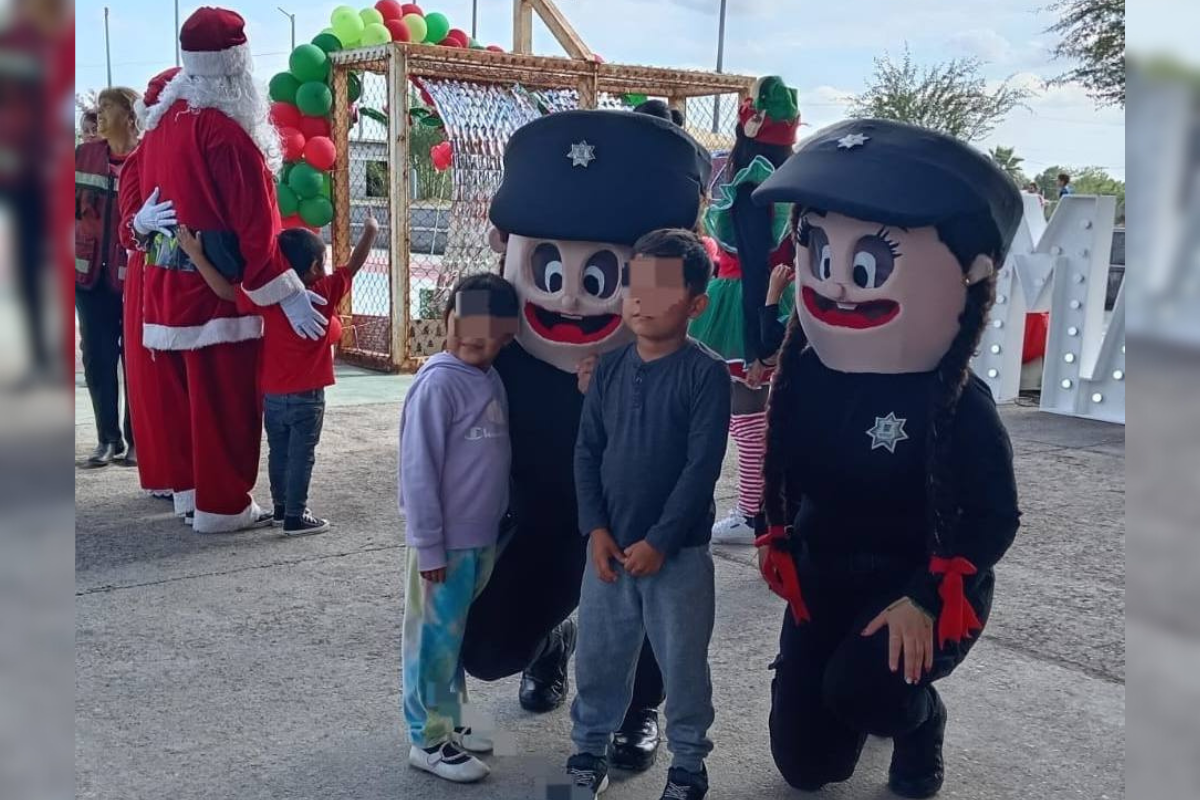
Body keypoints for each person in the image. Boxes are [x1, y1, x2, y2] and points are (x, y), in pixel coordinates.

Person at [751, 119, 1023, 798]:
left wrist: (927, 600)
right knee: (807, 768)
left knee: (865, 691)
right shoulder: (807, 375)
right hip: (825, 575)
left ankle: (916, 719)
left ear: (971, 271)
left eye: (869, 260)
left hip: (916, 584)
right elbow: (779, 472)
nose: (839, 282)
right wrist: (772, 533)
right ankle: (859, 686)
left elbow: (993, 517)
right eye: (818, 248)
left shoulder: (956, 399)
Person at [462, 108, 711, 772]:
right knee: (482, 647)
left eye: (602, 275)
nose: (571, 296)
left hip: (640, 531)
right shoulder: (500, 356)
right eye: (548, 267)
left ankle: (641, 707)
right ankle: (554, 641)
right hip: (547, 523)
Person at [128, 7, 329, 531]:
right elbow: (254, 223)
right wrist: (284, 290)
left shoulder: (162, 122)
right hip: (217, 294)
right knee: (224, 405)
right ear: (238, 64)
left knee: (186, 405)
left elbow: (143, 204)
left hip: (165, 286)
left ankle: (191, 496)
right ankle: (223, 506)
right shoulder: (222, 131)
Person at [566, 228, 729, 800]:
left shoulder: (706, 373)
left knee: (683, 664)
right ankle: (588, 747)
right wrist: (596, 530)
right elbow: (587, 450)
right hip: (609, 551)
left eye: (660, 289)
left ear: (696, 303)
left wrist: (661, 539)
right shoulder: (607, 369)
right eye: (633, 284)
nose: (639, 299)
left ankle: (688, 763)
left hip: (677, 555)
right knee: (599, 657)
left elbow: (700, 467)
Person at [176, 217, 379, 535]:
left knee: (279, 452)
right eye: (322, 262)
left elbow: (225, 292)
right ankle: (296, 515)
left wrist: (196, 253)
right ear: (314, 267)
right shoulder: (324, 292)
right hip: (308, 395)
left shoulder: (268, 298)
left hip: (272, 395)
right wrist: (371, 231)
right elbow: (353, 265)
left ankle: (282, 507)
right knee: (302, 455)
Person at [398, 274, 518, 784]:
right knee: (432, 642)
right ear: (446, 318)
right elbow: (417, 470)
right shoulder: (438, 382)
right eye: (466, 324)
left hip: (478, 539)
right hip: (443, 545)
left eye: (492, 331)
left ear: (509, 336)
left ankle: (458, 722)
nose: (476, 337)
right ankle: (428, 738)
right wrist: (429, 546)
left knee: (452, 639)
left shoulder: (488, 376)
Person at [688, 76, 799, 544]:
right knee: (770, 414)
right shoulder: (791, 177)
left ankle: (752, 512)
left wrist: (757, 344)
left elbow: (754, 263)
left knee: (748, 412)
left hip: (747, 300)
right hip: (782, 297)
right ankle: (770, 510)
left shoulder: (753, 180)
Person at [116, 67, 181, 497]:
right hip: (153, 274)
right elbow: (126, 229)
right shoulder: (139, 161)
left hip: (197, 272)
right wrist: (140, 224)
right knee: (156, 380)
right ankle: (164, 473)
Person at [75, 85, 140, 467]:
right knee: (97, 360)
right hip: (88, 280)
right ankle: (107, 439)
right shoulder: (83, 157)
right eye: (97, 107)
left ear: (130, 116)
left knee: (134, 360)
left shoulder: (147, 158)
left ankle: (135, 441)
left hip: (133, 279)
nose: (98, 114)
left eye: (107, 107)